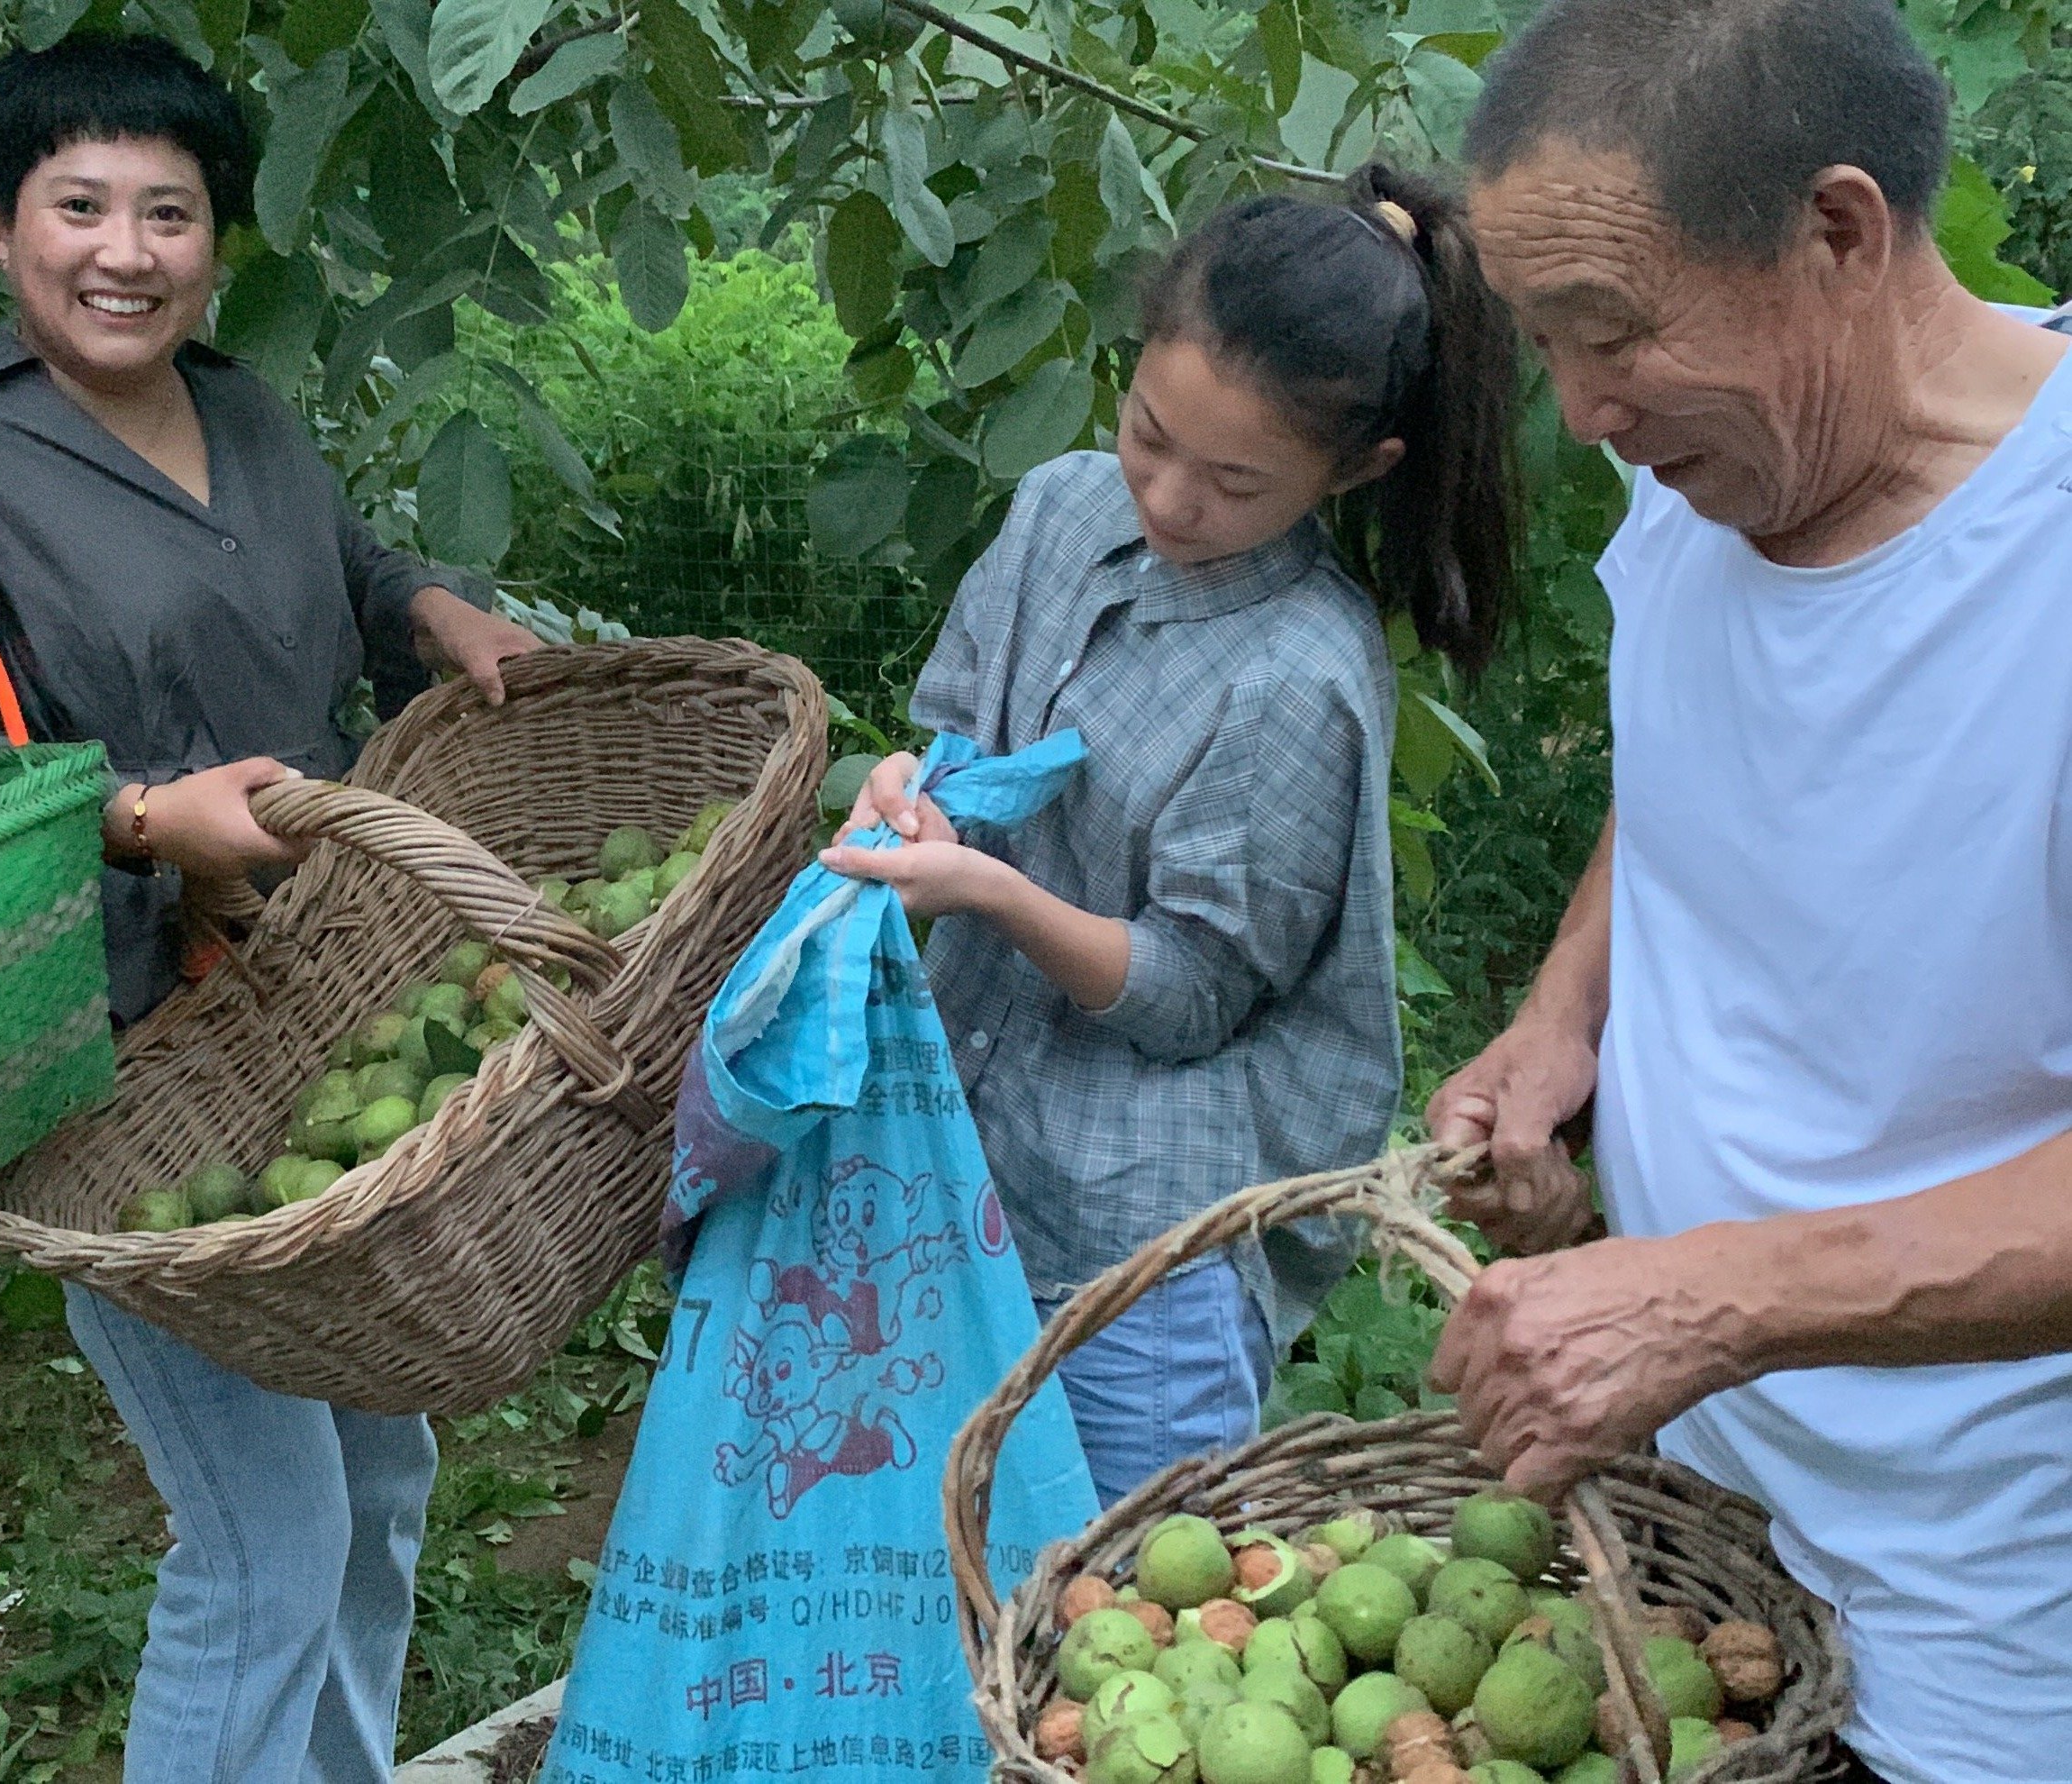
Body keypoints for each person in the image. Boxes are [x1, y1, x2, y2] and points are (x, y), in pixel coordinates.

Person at [0, 35, 541, 1781]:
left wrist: (435, 604)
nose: (125, 250)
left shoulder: (240, 409)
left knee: (382, 1480)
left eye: (170, 211)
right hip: (114, 1065)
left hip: (312, 1017)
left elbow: (337, 560)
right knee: (267, 1545)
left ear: (217, 239)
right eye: (78, 204)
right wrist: (146, 819)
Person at [1421, 1, 2072, 1776]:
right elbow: (1694, 772)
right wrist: (1569, 1018)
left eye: (1611, 334)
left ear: (1838, 235)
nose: (1582, 411)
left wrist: (1712, 1298)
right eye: (1544, 344)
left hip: (1982, 1649)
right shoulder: (1712, 467)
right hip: (1701, 1536)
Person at [824, 165, 1522, 1503]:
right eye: (1149, 433)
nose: (1169, 497)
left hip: (1145, 1239)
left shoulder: (1296, 678)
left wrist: (989, 894)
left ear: (1353, 471)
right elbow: (955, 723)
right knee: (945, 1569)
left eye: (1235, 481)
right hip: (970, 1162)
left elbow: (1191, 994)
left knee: (1114, 1624)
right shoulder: (1058, 510)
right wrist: (908, 784)